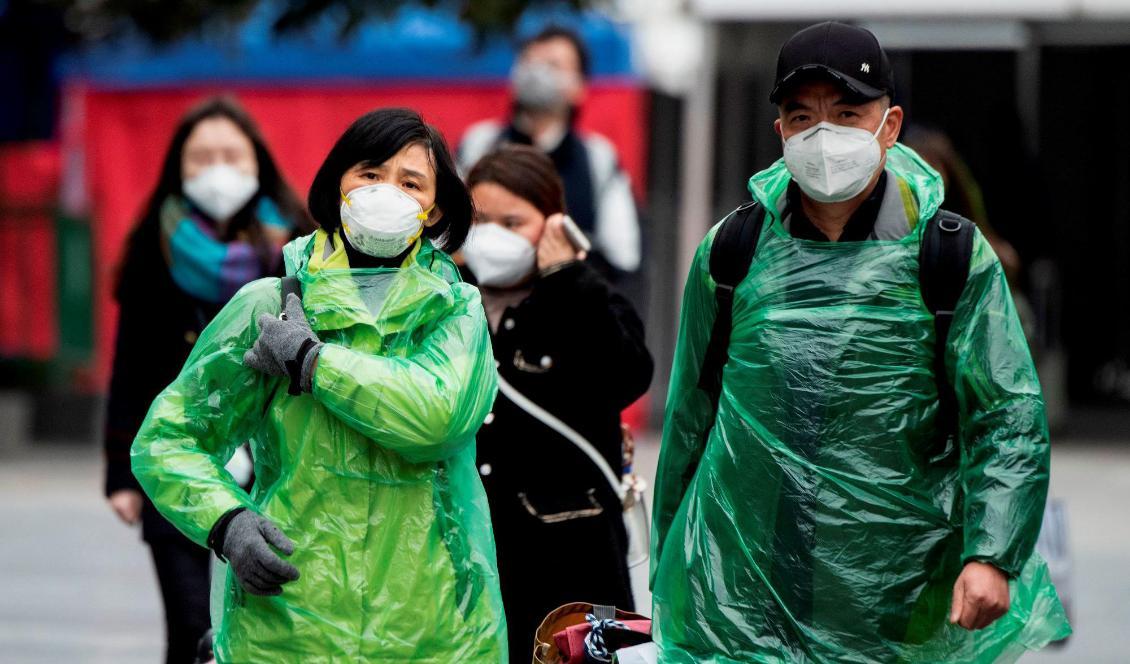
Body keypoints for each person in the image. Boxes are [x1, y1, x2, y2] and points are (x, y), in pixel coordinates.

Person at [650, 22, 1071, 662]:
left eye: (848, 113)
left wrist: (992, 552)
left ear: (890, 124)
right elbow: (692, 417)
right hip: (746, 581)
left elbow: (1005, 413)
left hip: (898, 585)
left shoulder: (949, 256)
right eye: (802, 116)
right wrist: (671, 561)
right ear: (781, 134)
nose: (825, 135)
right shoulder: (732, 254)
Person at [130, 108, 507, 661]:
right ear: (337, 185)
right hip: (289, 624)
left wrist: (312, 362)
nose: (386, 193)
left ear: (435, 209)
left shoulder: (454, 311)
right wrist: (226, 521)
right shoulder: (271, 305)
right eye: (370, 174)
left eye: (410, 183)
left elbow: (437, 418)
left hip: (435, 629)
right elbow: (171, 438)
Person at [102, 96, 309, 664]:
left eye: (231, 155)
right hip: (181, 458)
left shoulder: (298, 244)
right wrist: (121, 472)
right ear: (179, 167)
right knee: (192, 629)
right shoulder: (155, 245)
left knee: (272, 629)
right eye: (201, 157)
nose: (217, 169)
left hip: (277, 460)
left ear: (257, 162)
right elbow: (131, 366)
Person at [461, 145, 653, 661]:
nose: (494, 235)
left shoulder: (587, 298)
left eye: (513, 221)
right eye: (481, 220)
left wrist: (567, 277)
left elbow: (629, 374)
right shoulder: (447, 303)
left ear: (552, 225)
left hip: (572, 575)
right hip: (470, 566)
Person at [459, 26, 641, 281]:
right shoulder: (479, 144)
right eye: (530, 61)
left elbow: (623, 258)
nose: (537, 73)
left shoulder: (598, 158)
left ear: (580, 86)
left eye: (553, 65)